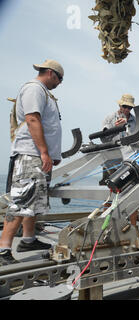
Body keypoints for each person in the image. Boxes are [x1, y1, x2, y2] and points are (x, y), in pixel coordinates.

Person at [0, 59, 64, 265]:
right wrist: (44, 152)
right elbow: (32, 119)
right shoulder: (34, 89)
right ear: (51, 73)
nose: (59, 83)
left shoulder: (43, 92)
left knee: (34, 202)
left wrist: (50, 155)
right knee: (21, 201)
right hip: (30, 155)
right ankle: (3, 250)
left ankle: (28, 240)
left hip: (39, 157)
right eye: (59, 79)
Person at [99, 94, 139, 229]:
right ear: (120, 105)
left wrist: (127, 130)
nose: (127, 109)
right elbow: (104, 139)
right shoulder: (110, 118)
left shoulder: (136, 121)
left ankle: (134, 228)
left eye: (129, 107)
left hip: (129, 161)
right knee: (109, 195)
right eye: (125, 106)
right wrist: (115, 129)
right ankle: (104, 227)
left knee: (132, 193)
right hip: (111, 161)